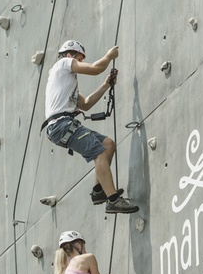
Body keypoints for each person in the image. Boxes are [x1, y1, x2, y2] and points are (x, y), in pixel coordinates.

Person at [43, 40, 138, 214]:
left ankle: (99, 191)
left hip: (63, 125)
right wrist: (109, 56)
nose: (79, 62)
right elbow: (95, 68)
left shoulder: (66, 84)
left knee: (108, 144)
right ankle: (113, 200)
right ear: (69, 54)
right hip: (61, 124)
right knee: (98, 152)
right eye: (78, 58)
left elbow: (85, 104)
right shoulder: (62, 64)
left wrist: (105, 85)